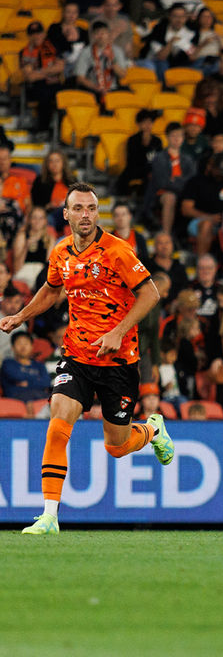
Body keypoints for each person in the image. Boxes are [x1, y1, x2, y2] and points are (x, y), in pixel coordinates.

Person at [0, 184, 172, 534]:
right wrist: (21, 316)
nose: (85, 215)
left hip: (118, 361)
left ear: (97, 212)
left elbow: (151, 293)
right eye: (78, 208)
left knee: (118, 446)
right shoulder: (61, 252)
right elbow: (51, 289)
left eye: (91, 208)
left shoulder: (118, 251)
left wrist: (118, 332)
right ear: (65, 214)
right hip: (77, 355)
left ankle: (153, 428)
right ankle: (49, 515)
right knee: (58, 424)